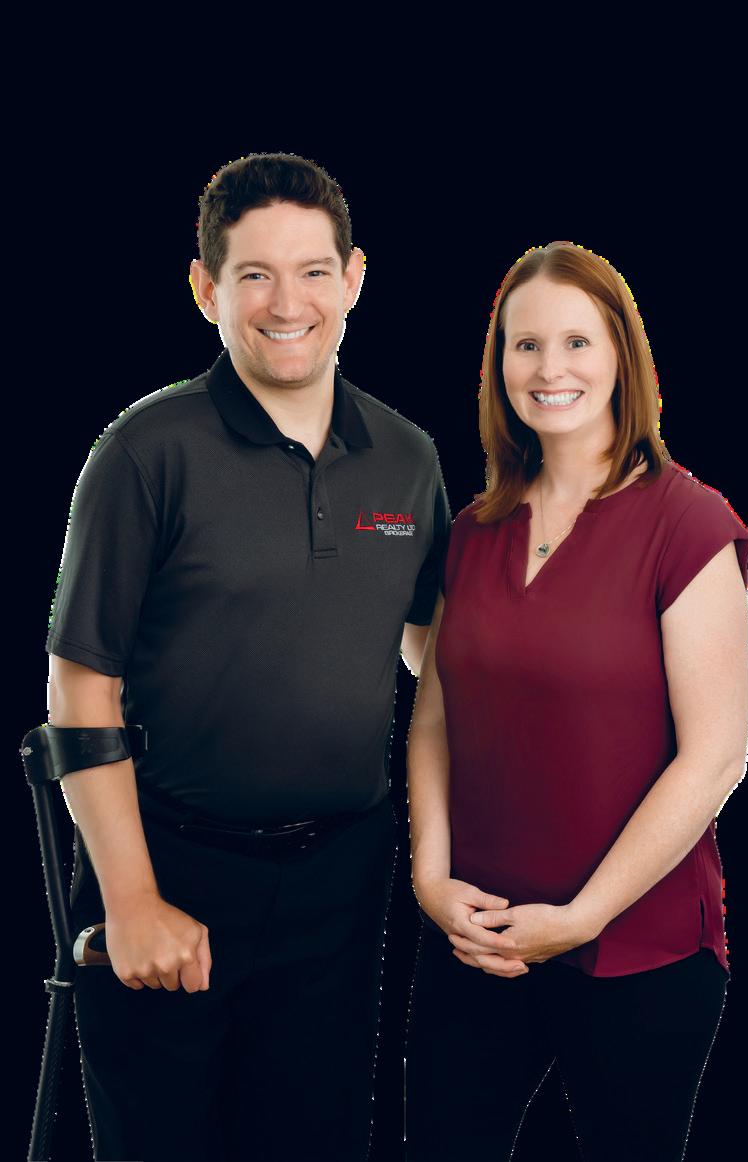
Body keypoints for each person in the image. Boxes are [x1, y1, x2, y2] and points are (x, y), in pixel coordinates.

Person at [45, 152, 450, 1162]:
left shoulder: (407, 457)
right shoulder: (145, 452)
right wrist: (132, 900)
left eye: (312, 271)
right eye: (255, 275)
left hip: (343, 884)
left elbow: (435, 650)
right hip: (171, 868)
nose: (287, 304)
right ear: (205, 288)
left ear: (353, 278)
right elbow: (81, 687)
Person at [404, 241, 748, 1162]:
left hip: (636, 950)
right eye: (525, 346)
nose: (548, 368)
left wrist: (583, 916)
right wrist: (430, 880)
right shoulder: (471, 532)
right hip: (476, 934)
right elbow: (434, 716)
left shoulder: (687, 523)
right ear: (499, 367)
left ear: (621, 358)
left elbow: (715, 755)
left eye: (575, 342)